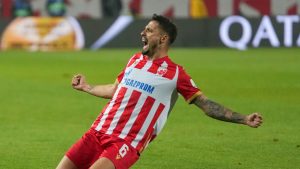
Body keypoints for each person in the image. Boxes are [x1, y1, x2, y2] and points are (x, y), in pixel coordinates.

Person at [56, 14, 263, 169]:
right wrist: (87, 87)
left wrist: (243, 118)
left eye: (148, 30)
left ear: (163, 39)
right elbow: (115, 89)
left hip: (125, 142)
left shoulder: (175, 74)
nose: (142, 33)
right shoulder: (135, 60)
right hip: (96, 132)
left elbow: (206, 105)